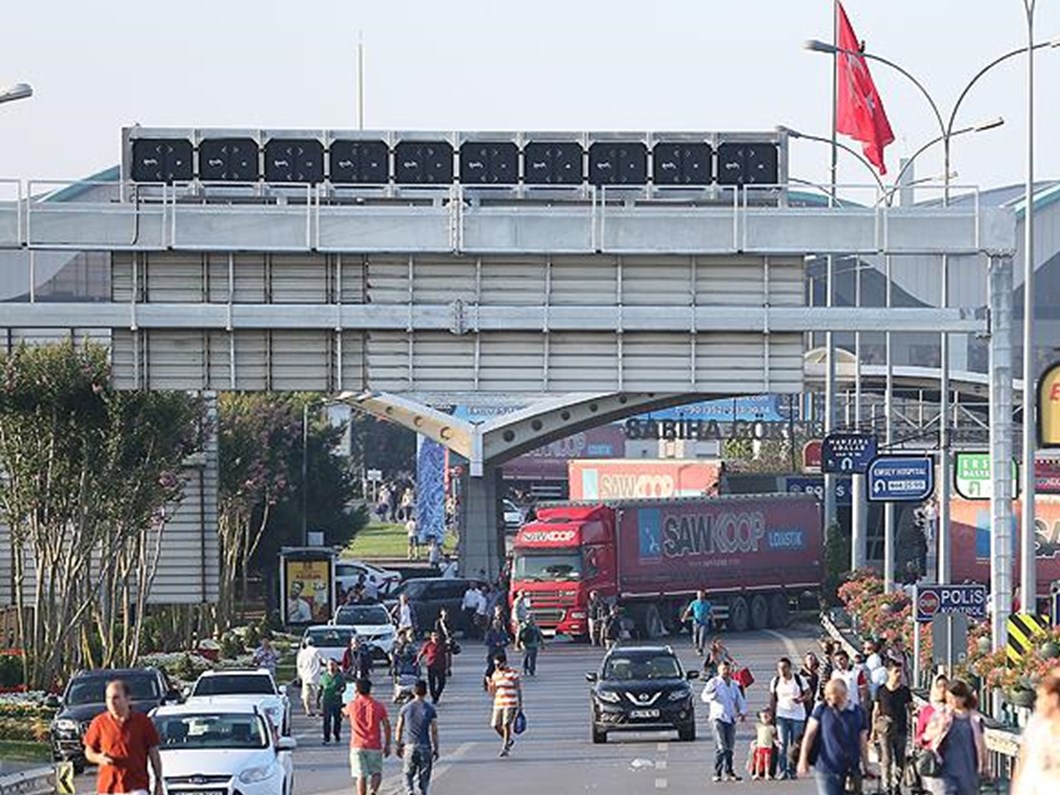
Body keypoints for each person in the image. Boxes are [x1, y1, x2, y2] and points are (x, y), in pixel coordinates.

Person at [83, 679, 163, 795]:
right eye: (108, 698)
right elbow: (89, 752)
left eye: (116, 697)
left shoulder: (143, 722)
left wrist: (158, 781)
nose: (111, 702)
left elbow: (154, 753)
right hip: (108, 788)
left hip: (136, 787)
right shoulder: (99, 722)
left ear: (128, 699)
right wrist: (99, 758)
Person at [797, 679, 871, 795]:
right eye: (827, 696)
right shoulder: (821, 710)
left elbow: (863, 741)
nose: (829, 700)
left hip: (851, 768)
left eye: (833, 696)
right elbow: (809, 735)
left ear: (843, 694)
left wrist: (866, 766)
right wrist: (803, 759)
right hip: (826, 768)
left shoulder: (858, 712)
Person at [922, 680, 987, 795]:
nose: (951, 701)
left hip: (968, 770)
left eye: (954, 698)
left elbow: (981, 744)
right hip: (944, 769)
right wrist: (940, 728)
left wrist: (985, 765)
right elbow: (927, 735)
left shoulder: (975, 719)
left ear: (963, 698)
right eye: (948, 698)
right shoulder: (941, 714)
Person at [1012, 667, 1060, 794]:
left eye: (1041, 697)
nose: (1037, 703)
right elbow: (1023, 759)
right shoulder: (1036, 724)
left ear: (1053, 699)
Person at [872, 659, 914, 795]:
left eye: (900, 671)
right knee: (887, 758)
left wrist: (914, 717)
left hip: (901, 728)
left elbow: (910, 708)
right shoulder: (881, 690)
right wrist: (873, 730)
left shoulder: (904, 691)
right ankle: (887, 785)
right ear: (889, 672)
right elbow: (876, 710)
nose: (899, 674)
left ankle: (896, 783)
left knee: (900, 759)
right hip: (884, 730)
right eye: (896, 671)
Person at [702, 659, 748, 783]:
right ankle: (717, 772)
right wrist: (712, 696)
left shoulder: (734, 684)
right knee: (721, 746)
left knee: (730, 747)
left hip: (731, 718)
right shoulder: (714, 682)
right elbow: (704, 696)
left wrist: (743, 712)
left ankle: (729, 771)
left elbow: (740, 699)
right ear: (719, 670)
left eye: (728, 669)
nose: (726, 672)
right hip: (717, 718)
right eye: (723, 669)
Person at [346, 678, 392, 795]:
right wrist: (387, 744)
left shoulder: (352, 705)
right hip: (374, 744)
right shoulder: (378, 706)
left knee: (361, 775)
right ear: (370, 690)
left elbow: (344, 713)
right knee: (376, 772)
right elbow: (387, 725)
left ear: (356, 690)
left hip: (357, 745)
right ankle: (373, 791)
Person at [396, 680, 439, 795]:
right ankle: (422, 791)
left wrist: (398, 744)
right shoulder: (430, 709)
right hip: (425, 746)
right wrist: (436, 748)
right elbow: (434, 731)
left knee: (407, 773)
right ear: (426, 692)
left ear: (413, 691)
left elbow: (399, 728)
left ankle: (409, 791)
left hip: (409, 745)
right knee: (424, 775)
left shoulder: (405, 709)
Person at [770, 656, 810, 781]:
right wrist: (772, 716)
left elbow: (809, 694)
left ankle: (792, 770)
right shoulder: (775, 681)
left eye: (784, 668)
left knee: (795, 746)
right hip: (781, 715)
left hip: (798, 716)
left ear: (789, 668)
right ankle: (782, 770)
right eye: (779, 668)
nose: (782, 670)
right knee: (782, 745)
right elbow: (772, 699)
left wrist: (801, 699)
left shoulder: (799, 679)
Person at [487, 651, 523, 758]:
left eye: (498, 664)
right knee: (495, 725)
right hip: (498, 703)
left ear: (504, 663)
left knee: (506, 724)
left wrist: (520, 705)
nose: (497, 666)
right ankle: (508, 739)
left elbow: (518, 689)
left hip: (510, 702)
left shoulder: (513, 673)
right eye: (495, 665)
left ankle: (505, 746)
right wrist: (489, 684)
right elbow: (493, 691)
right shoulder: (495, 674)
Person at [320, 658, 348, 745]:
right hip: (327, 701)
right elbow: (320, 689)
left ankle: (336, 734)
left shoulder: (340, 676)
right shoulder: (324, 676)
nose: (332, 667)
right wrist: (318, 701)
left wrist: (341, 691)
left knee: (337, 719)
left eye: (333, 665)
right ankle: (326, 737)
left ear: (336, 666)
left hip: (337, 701)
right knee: (326, 720)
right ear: (327, 666)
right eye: (330, 665)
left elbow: (344, 687)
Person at [417, 631, 449, 704]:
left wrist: (448, 667)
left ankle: (437, 694)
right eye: (434, 636)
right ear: (431, 637)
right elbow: (421, 653)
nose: (436, 638)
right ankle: (434, 697)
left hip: (441, 666)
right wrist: (417, 661)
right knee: (432, 683)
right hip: (431, 666)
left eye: (437, 636)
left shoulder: (443, 644)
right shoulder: (428, 644)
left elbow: (449, 653)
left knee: (442, 682)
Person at [681, 589, 714, 656]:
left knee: (702, 636)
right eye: (698, 594)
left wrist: (713, 621)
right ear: (697, 595)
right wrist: (684, 618)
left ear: (704, 595)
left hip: (704, 623)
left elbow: (711, 613)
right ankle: (696, 647)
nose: (700, 596)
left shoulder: (707, 603)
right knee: (695, 636)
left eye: (701, 594)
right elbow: (688, 611)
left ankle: (700, 649)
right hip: (696, 622)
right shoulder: (694, 603)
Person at [297, 638, 324, 717]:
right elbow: (324, 661)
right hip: (315, 676)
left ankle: (308, 710)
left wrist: (300, 674)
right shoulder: (316, 651)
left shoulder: (302, 653)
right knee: (317, 694)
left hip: (305, 676)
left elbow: (299, 665)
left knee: (306, 694)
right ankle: (319, 710)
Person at [751, 709, 778, 781]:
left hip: (768, 747)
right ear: (760, 718)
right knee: (758, 761)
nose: (765, 718)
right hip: (760, 746)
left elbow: (774, 737)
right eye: (763, 717)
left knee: (767, 761)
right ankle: (757, 773)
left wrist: (776, 742)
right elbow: (750, 727)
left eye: (767, 717)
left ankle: (767, 774)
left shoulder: (771, 727)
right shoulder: (758, 726)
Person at [483, 618, 512, 685]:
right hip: (492, 653)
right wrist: (495, 643)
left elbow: (507, 641)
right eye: (495, 624)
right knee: (491, 668)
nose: (497, 625)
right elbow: (486, 642)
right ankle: (487, 682)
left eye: (498, 624)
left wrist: (503, 643)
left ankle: (502, 681)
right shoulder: (490, 633)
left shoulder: (503, 632)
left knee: (502, 668)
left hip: (501, 652)